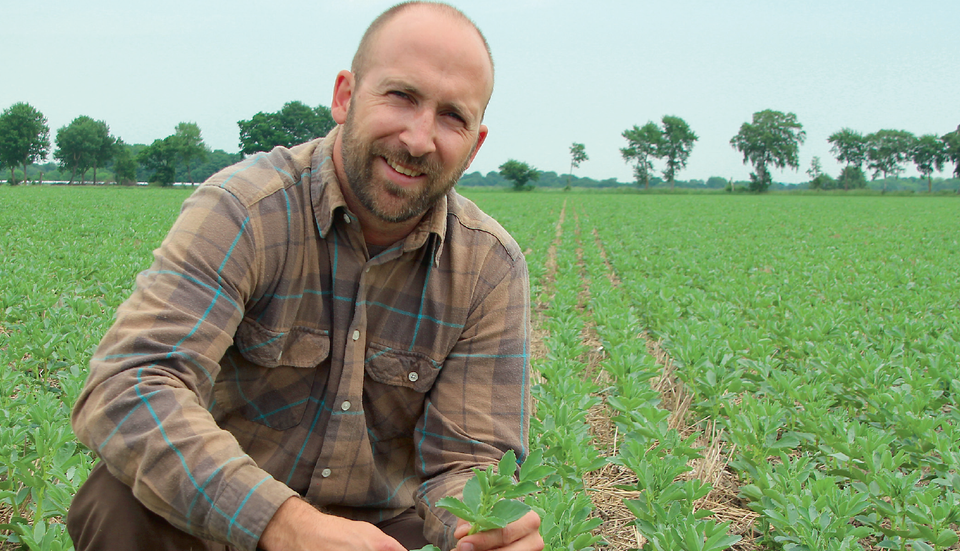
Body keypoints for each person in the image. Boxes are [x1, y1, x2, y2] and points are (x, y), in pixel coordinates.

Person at [66, 3, 540, 551]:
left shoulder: (488, 267)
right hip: (225, 515)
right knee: (118, 502)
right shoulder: (244, 211)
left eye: (452, 117)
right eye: (401, 97)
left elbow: (469, 463)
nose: (418, 138)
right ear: (345, 96)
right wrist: (284, 524)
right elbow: (132, 385)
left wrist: (479, 529)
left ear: (475, 144)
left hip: (381, 530)